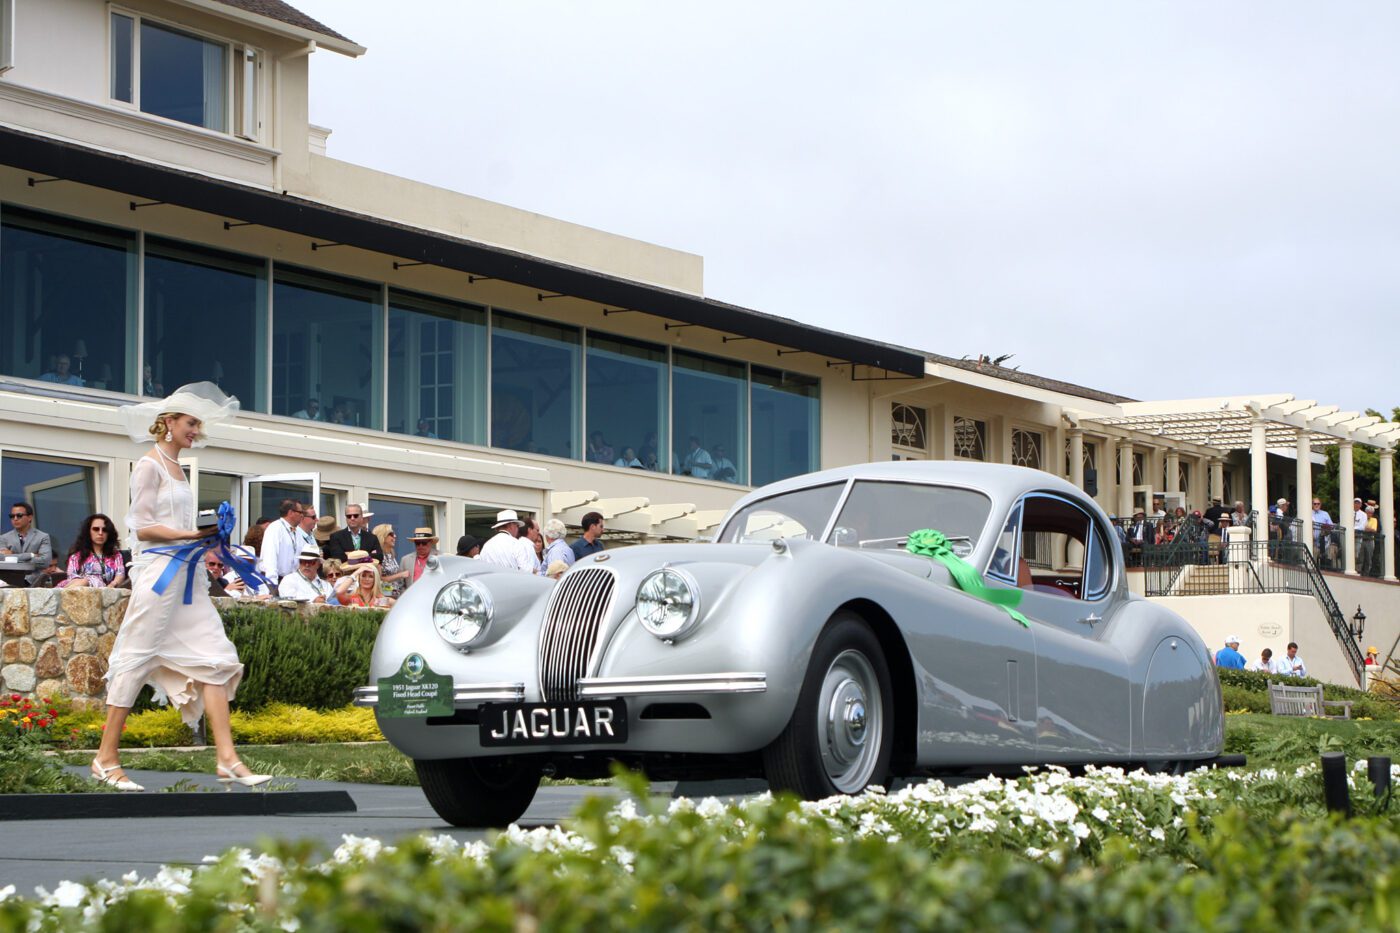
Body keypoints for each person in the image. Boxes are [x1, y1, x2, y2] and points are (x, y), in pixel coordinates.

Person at [97, 382, 270, 791]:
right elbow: (142, 527)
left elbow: (176, 528)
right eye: (191, 423)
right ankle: (105, 758)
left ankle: (227, 759)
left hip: (189, 577)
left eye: (198, 425)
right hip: (158, 576)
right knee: (135, 658)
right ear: (169, 422)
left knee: (217, 659)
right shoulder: (148, 465)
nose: (196, 431)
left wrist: (209, 538)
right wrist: (193, 534)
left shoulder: (179, 468)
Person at [56, 514, 128, 589]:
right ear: (88, 531)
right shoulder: (76, 556)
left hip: (105, 590)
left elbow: (120, 575)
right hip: (80, 590)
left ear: (109, 533)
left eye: (105, 530)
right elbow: (72, 576)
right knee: (83, 582)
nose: (100, 533)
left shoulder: (116, 555)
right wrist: (86, 582)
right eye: (96, 529)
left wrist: (112, 585)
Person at [0, 502, 55, 587]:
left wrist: (12, 557)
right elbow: (2, 559)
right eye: (12, 516)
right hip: (8, 582)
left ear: (30, 517)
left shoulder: (43, 536)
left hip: (34, 582)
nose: (15, 519)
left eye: (19, 515)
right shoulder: (4, 538)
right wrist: (31, 555)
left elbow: (45, 561)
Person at [257, 499, 305, 589]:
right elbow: (270, 557)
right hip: (276, 580)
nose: (302, 515)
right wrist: (272, 584)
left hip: (292, 582)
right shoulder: (275, 528)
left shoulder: (298, 532)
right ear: (291, 513)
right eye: (300, 512)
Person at [373, 524, 410, 597]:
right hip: (384, 596)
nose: (395, 536)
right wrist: (400, 575)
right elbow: (378, 579)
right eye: (391, 534)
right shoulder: (377, 555)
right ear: (382, 536)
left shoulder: (391, 553)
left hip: (396, 595)